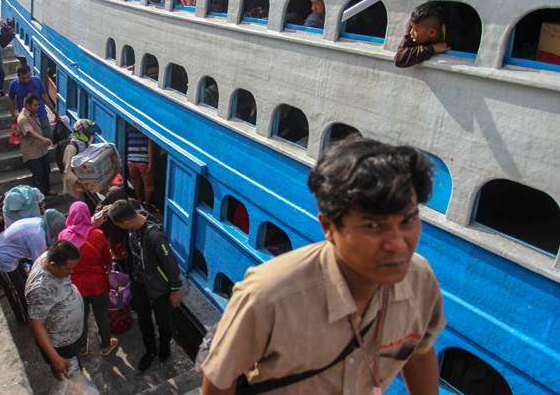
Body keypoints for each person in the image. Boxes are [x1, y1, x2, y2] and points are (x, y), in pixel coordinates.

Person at [200, 138, 445, 395]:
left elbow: (419, 354)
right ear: (328, 226)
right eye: (373, 226)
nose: (397, 244)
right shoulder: (268, 296)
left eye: (408, 221)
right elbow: (219, 381)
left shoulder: (420, 280)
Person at [108, 200, 182, 371]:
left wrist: (175, 289)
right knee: (143, 319)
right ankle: (150, 350)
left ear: (126, 223)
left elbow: (170, 263)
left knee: (164, 322)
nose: (121, 229)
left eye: (120, 225)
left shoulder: (155, 236)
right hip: (138, 283)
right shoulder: (131, 227)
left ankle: (164, 348)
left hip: (159, 288)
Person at [59, 202, 119, 356]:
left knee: (80, 318)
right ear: (87, 214)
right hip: (97, 284)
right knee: (102, 315)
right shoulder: (98, 235)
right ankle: (106, 345)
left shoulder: (63, 236)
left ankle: (82, 348)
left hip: (75, 286)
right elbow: (107, 259)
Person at [0, 209, 66, 323]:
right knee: (16, 289)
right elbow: (39, 265)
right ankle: (24, 319)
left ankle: (27, 313)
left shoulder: (39, 223)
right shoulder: (37, 235)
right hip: (3, 258)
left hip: (8, 251)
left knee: (24, 285)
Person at [25, 240, 85, 381]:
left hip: (70, 336)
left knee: (75, 368)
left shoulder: (50, 257)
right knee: (69, 378)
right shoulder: (40, 288)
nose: (72, 272)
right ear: (53, 265)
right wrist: (55, 358)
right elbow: (37, 324)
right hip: (60, 343)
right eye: (68, 269)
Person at [18, 95, 55, 197]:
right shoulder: (23, 118)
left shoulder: (33, 114)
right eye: (35, 105)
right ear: (27, 105)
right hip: (31, 153)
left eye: (38, 105)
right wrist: (43, 139)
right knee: (38, 175)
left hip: (41, 150)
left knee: (46, 171)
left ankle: (47, 191)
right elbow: (29, 132)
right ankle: (39, 198)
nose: (37, 107)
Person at [394, 1, 450, 68]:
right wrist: (431, 49)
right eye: (411, 27)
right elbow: (399, 59)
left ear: (432, 33)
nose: (411, 32)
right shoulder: (413, 31)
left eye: (416, 30)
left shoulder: (450, 36)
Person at [62, 119, 101, 205]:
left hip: (83, 186)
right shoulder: (72, 148)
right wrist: (81, 183)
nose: (92, 136)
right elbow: (67, 172)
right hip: (74, 189)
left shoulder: (84, 144)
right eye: (90, 134)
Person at [9, 64, 55, 138]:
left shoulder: (37, 81)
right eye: (23, 78)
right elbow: (10, 99)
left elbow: (44, 94)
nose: (26, 80)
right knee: (32, 137)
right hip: (27, 117)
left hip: (41, 113)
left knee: (48, 134)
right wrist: (13, 115)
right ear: (18, 76)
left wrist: (51, 107)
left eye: (28, 77)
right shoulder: (14, 85)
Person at [126, 124, 156, 209]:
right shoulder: (148, 129)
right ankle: (147, 205)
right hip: (143, 161)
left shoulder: (129, 128)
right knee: (148, 186)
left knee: (136, 183)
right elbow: (150, 146)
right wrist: (151, 162)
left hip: (131, 160)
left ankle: (140, 203)